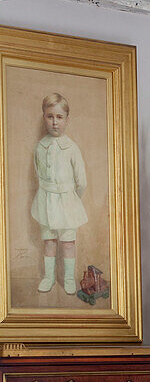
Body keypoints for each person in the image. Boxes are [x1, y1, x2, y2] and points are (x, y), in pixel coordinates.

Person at [31, 93, 88, 295]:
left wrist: (71, 201)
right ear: (44, 117)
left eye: (59, 117)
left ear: (66, 119)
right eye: (50, 116)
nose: (55, 122)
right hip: (46, 201)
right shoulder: (40, 147)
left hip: (66, 203)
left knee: (68, 242)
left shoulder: (72, 148)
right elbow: (39, 174)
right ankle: (49, 277)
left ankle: (69, 278)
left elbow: (81, 181)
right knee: (49, 241)